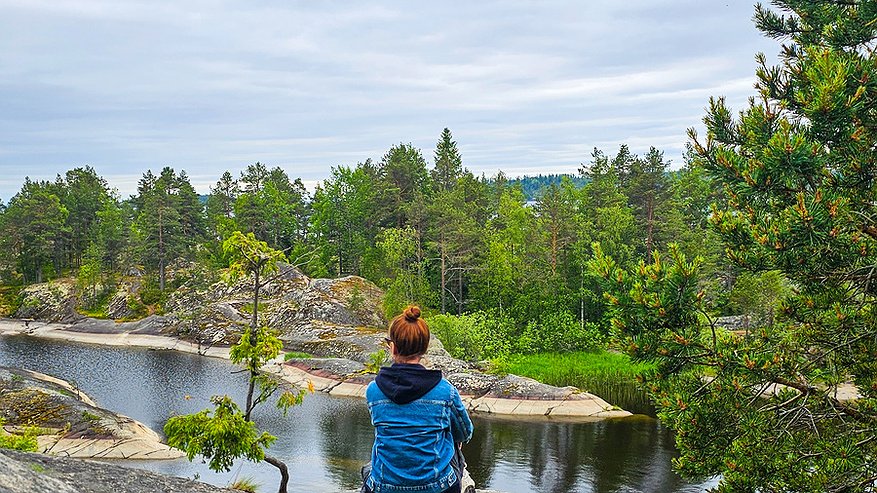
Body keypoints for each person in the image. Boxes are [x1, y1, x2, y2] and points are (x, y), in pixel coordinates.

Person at [361, 305, 474, 493]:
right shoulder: (445, 391)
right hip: (438, 487)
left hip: (383, 487)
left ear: (393, 347)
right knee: (453, 442)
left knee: (371, 464)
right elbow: (465, 432)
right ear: (425, 348)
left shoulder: (374, 390)